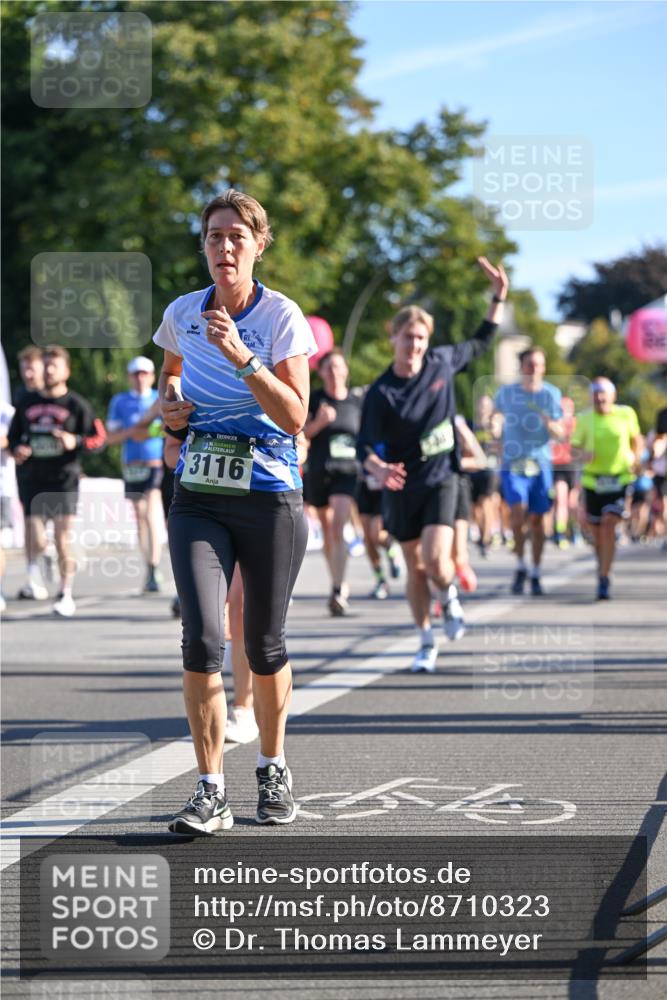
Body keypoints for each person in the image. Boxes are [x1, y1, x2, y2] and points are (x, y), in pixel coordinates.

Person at [154, 189, 316, 834]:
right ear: (204, 245)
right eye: (215, 237)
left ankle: (273, 767)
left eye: (237, 238)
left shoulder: (280, 316)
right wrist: (170, 409)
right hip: (199, 492)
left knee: (266, 644)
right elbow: (170, 376)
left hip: (270, 492)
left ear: (258, 245)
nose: (225, 248)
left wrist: (242, 358)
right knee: (202, 637)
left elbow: (295, 414)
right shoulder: (182, 313)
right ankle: (209, 788)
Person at [357, 257, 508, 674]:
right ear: (394, 338)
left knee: (437, 558)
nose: (415, 346)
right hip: (402, 485)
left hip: (442, 478)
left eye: (421, 338)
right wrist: (378, 467)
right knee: (414, 568)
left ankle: (452, 598)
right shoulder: (382, 393)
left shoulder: (441, 363)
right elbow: (364, 446)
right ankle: (425, 640)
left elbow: (481, 339)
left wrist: (498, 296)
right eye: (408, 337)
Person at [7, 345, 106, 616]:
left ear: (66, 370)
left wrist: (74, 440)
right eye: (46, 365)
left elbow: (99, 439)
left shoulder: (77, 404)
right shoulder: (26, 401)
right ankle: (37, 568)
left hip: (64, 479)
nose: (49, 370)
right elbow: (14, 438)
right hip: (33, 478)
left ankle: (65, 593)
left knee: (63, 537)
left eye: (54, 366)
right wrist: (19, 449)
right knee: (36, 539)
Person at [494, 347, 563, 596]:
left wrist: (550, 424)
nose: (534, 369)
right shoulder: (507, 392)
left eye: (538, 364)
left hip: (541, 464)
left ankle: (534, 570)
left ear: (544, 368)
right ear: (521, 367)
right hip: (513, 463)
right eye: (529, 364)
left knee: (537, 522)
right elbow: (496, 416)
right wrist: (494, 426)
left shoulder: (551, 394)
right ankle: (520, 564)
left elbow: (561, 433)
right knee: (517, 513)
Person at [570, 378, 642, 599]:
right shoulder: (584, 418)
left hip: (619, 478)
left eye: (604, 393)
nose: (600, 398)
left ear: (613, 396)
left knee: (610, 523)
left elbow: (636, 439)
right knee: (597, 532)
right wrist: (584, 455)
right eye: (596, 394)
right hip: (593, 481)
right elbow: (573, 449)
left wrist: (636, 459)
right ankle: (602, 566)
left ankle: (604, 576)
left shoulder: (626, 414)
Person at [303, 349, 362, 615]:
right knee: (328, 530)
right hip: (319, 470)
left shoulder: (355, 403)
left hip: (347, 471)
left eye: (338, 367)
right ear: (322, 372)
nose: (334, 372)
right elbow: (301, 435)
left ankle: (338, 588)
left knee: (338, 524)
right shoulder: (315, 400)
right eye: (328, 368)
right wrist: (319, 422)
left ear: (346, 370)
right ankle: (337, 580)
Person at [106, 356, 165, 592]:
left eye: (145, 373)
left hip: (156, 464)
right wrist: (134, 431)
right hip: (131, 465)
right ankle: (149, 566)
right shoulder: (120, 402)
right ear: (130, 377)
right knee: (139, 517)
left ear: (152, 377)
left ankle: (154, 564)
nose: (140, 378)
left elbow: (169, 428)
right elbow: (111, 437)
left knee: (150, 512)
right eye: (135, 374)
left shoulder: (158, 399)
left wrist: (150, 430)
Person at [14, 346, 48, 599]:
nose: (27, 373)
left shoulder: (54, 395)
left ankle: (48, 552)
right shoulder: (21, 396)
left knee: (52, 528)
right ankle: (32, 576)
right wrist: (18, 447)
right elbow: (14, 433)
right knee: (31, 523)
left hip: (58, 472)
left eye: (31, 367)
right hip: (29, 470)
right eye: (23, 368)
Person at [550, 395, 579, 548]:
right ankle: (559, 533)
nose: (564, 411)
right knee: (560, 499)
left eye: (568, 408)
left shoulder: (576, 423)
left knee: (572, 503)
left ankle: (573, 530)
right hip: (557, 464)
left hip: (572, 465)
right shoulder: (553, 424)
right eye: (562, 408)